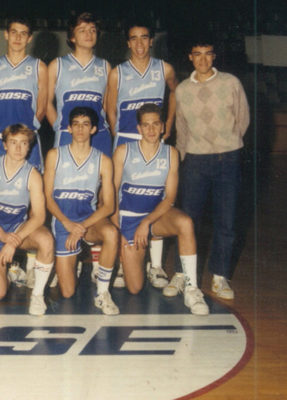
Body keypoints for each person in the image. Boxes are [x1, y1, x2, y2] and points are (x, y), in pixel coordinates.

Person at [112, 103, 208, 315]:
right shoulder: (123, 152)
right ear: (139, 129)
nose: (151, 130)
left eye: (156, 124)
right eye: (146, 125)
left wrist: (146, 223)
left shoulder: (171, 153)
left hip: (155, 218)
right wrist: (117, 231)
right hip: (128, 220)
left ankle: (191, 288)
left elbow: (170, 198)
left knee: (185, 223)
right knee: (134, 288)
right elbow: (110, 196)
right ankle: (140, 261)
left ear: (163, 126)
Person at [173, 38, 249, 300]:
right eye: (197, 54)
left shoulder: (231, 83)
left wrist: (228, 144)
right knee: (187, 221)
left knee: (225, 221)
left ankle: (219, 276)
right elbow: (180, 128)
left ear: (214, 56)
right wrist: (186, 156)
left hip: (228, 160)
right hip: (195, 161)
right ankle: (183, 274)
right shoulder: (182, 90)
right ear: (190, 57)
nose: (203, 59)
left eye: (207, 54)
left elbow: (243, 119)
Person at [105, 20, 177, 289]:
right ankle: (125, 262)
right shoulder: (117, 73)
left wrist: (168, 122)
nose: (139, 43)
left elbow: (176, 91)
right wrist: (118, 134)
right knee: (124, 198)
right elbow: (110, 108)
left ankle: (156, 266)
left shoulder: (164, 68)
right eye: (133, 38)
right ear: (128, 42)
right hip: (127, 139)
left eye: (144, 38)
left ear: (151, 41)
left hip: (154, 139)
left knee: (155, 198)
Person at [44, 107, 119, 315]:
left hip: (89, 221)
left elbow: (109, 206)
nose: (80, 129)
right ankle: (76, 259)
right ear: (68, 128)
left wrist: (81, 227)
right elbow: (48, 199)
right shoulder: (54, 155)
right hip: (63, 222)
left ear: (93, 129)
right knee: (67, 292)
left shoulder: (103, 160)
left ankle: (102, 294)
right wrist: (69, 225)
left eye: (85, 124)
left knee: (111, 233)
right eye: (76, 124)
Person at [0, 124, 54, 315]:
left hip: (18, 228)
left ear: (29, 147)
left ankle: (37, 296)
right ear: (4, 145)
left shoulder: (33, 175)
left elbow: (39, 216)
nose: (18, 148)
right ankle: (13, 272)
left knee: (46, 240)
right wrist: (2, 236)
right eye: (13, 143)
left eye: (24, 143)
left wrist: (13, 241)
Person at [0, 18, 47, 171]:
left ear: (30, 38)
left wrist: (26, 135)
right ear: (6, 34)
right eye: (14, 33)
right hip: (0, 138)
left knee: (32, 189)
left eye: (23, 34)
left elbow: (41, 108)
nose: (18, 38)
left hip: (27, 139)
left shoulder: (38, 67)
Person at [47, 12, 111, 155]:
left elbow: (107, 105)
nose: (88, 34)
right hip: (67, 134)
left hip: (98, 134)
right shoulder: (57, 65)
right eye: (82, 30)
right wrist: (60, 127)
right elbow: (46, 103)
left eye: (92, 30)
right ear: (72, 37)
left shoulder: (105, 66)